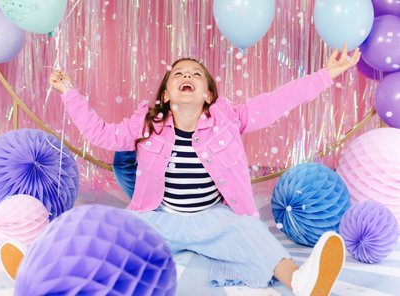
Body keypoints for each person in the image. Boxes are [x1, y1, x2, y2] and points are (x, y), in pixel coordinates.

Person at [50, 44, 360, 295]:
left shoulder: (229, 120)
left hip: (213, 219)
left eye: (196, 74)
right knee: (110, 234)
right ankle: (59, 275)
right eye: (178, 73)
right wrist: (69, 92)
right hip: (160, 218)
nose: (187, 75)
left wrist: (326, 75)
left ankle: (301, 281)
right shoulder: (146, 124)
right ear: (166, 94)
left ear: (208, 95)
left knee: (254, 234)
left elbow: (277, 101)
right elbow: (101, 133)